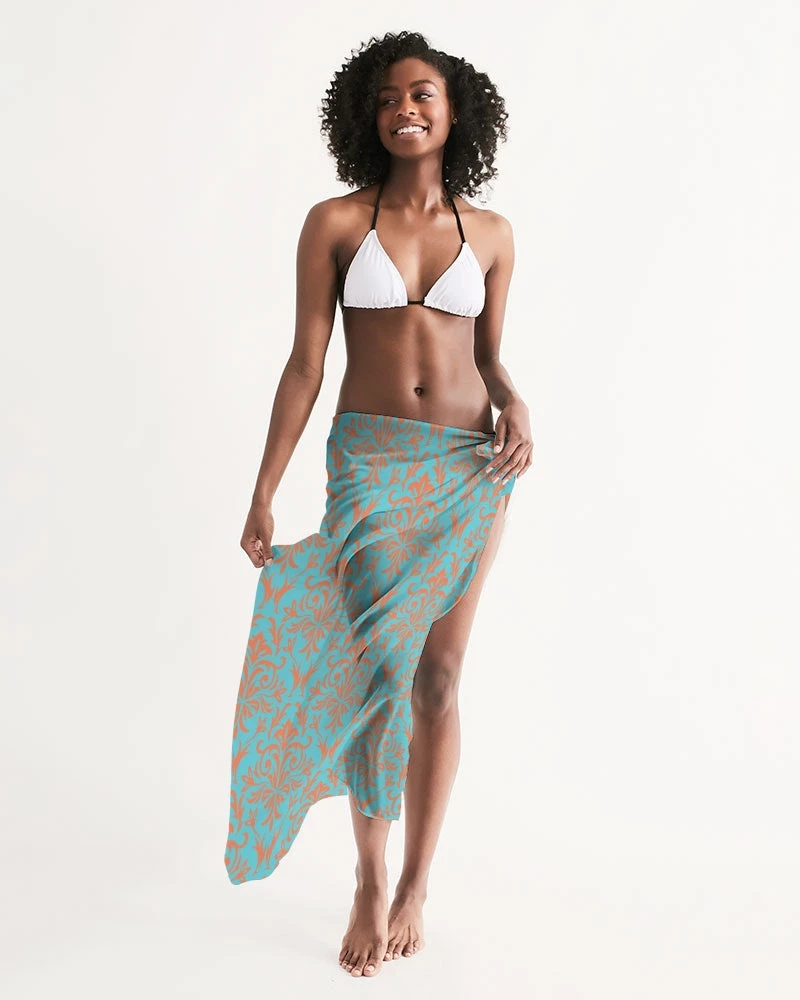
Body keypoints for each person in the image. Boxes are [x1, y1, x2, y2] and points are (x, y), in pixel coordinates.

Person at [223, 30, 534, 979]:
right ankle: (367, 875)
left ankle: (415, 885)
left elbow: (489, 359)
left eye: (423, 94)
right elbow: (305, 365)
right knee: (381, 673)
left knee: (438, 679)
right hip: (368, 465)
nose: (406, 109)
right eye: (390, 96)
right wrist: (264, 487)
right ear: (369, 114)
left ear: (454, 110)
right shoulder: (334, 222)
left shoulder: (491, 234)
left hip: (470, 471)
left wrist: (517, 402)